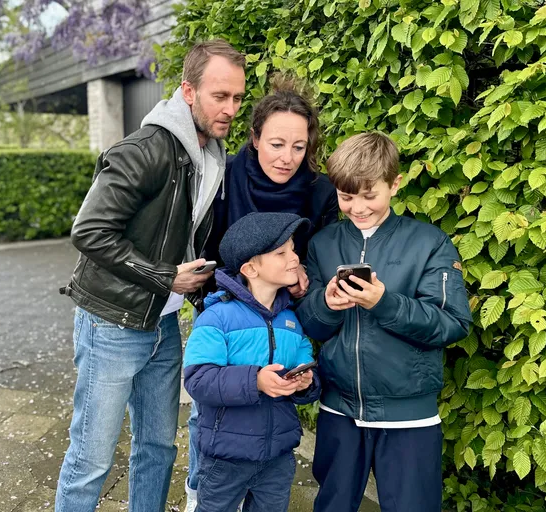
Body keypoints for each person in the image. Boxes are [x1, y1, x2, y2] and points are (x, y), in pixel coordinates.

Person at [55, 39, 246, 512]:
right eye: (219, 96)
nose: (230, 109)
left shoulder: (213, 155)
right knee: (91, 460)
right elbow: (90, 231)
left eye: (237, 98)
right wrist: (164, 276)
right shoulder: (144, 150)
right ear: (188, 91)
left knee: (158, 451)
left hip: (163, 324)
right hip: (112, 324)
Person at [295, 132, 472, 511]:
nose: (357, 208)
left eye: (369, 195)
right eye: (346, 196)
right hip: (339, 409)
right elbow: (311, 327)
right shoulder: (323, 244)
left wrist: (385, 303)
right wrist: (326, 304)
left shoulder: (430, 243)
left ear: (395, 184)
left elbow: (452, 323)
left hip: (410, 416)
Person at [184, 78, 338, 511]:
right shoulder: (222, 175)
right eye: (276, 144)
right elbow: (201, 239)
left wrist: (302, 269)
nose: (287, 158)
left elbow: (324, 255)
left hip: (282, 313)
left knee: (272, 400)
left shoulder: (320, 192)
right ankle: (204, 491)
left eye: (298, 146)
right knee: (211, 412)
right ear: (254, 139)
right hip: (226, 306)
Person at [183, 212, 321, 512]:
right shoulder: (216, 318)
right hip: (225, 460)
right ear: (250, 268)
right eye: (281, 252)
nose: (294, 258)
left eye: (293, 249)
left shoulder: (291, 320)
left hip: (277, 459)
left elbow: (305, 364)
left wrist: (304, 383)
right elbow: (198, 379)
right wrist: (255, 380)